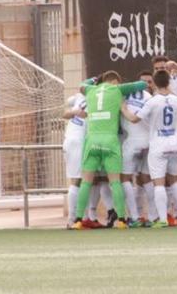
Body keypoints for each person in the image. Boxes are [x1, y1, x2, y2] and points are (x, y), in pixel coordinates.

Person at [71, 72, 147, 230]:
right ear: (114, 82)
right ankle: (121, 220)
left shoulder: (91, 90)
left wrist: (92, 79)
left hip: (92, 141)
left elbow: (81, 86)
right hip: (110, 141)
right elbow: (142, 85)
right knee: (115, 181)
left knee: (86, 182)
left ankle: (78, 220)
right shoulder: (117, 90)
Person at [126, 69, 177, 228]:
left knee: (159, 183)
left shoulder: (152, 101)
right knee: (175, 181)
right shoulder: (176, 99)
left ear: (154, 83)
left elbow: (134, 119)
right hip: (174, 145)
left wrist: (123, 108)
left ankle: (162, 219)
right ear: (168, 82)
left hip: (158, 145)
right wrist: (171, 92)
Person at [120, 72, 153, 227]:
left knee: (125, 179)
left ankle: (134, 217)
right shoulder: (148, 96)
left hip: (132, 140)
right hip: (148, 141)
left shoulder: (121, 94)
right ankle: (154, 216)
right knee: (146, 179)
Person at [61, 89, 87, 229]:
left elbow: (66, 112)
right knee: (77, 180)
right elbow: (65, 113)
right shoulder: (86, 96)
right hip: (78, 141)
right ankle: (72, 219)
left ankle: (85, 217)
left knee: (85, 180)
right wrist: (77, 112)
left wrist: (74, 111)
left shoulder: (79, 97)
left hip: (71, 140)